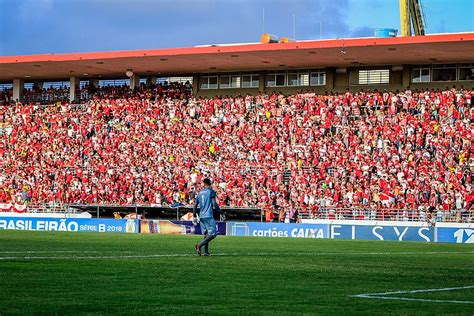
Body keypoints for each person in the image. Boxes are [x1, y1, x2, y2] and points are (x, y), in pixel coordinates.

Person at [193, 178, 225, 256]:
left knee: (207, 234)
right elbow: (214, 204)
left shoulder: (200, 193)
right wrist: (221, 213)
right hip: (208, 215)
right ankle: (199, 245)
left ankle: (206, 252)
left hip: (201, 216)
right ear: (210, 184)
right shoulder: (211, 192)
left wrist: (194, 215)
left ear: (204, 184)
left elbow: (195, 205)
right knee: (213, 234)